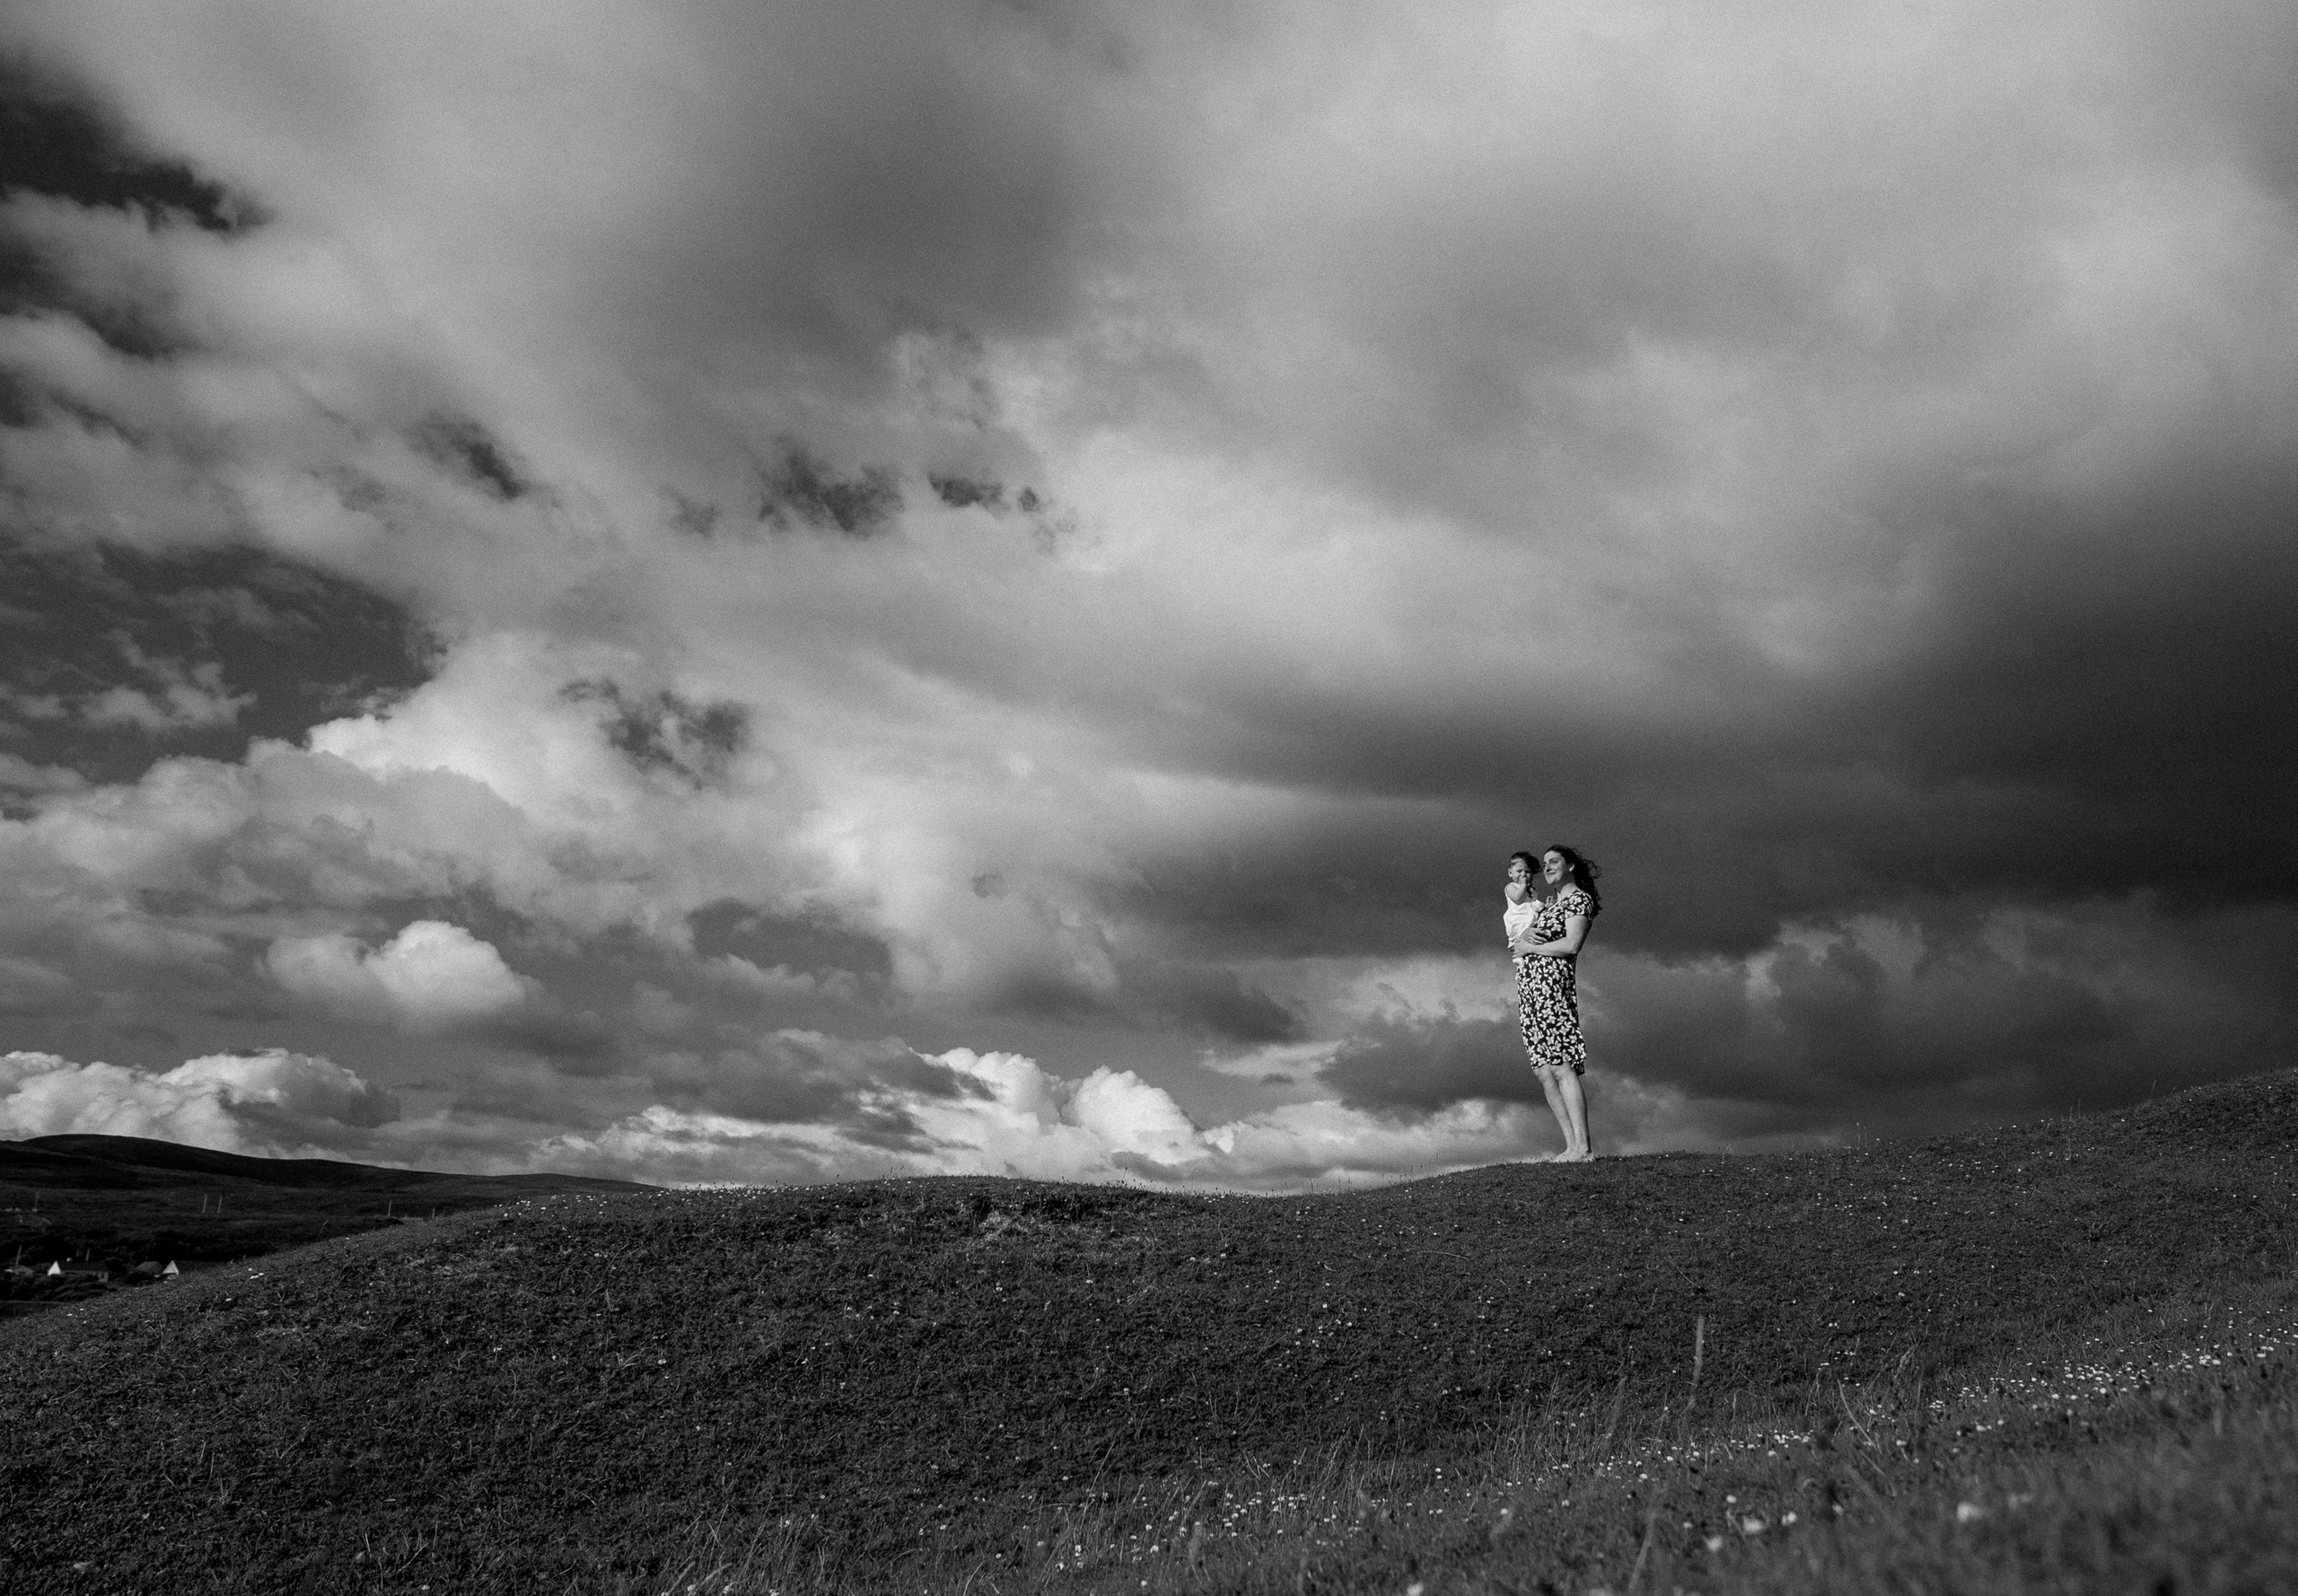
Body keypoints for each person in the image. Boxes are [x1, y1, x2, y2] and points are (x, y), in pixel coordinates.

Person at [1504, 846, 1602, 1162]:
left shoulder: (1578, 900)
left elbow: (1572, 945)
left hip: (1551, 988)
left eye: (1554, 862)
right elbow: (1523, 938)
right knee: (1544, 1071)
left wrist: (1530, 950)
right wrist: (1526, 938)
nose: (1546, 868)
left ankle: (1584, 1148)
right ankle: (1570, 1146)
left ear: (1570, 866)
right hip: (1530, 990)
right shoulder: (1546, 906)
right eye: (1544, 863)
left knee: (1561, 1065)